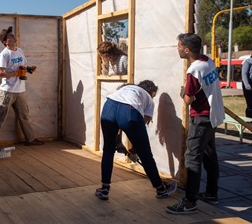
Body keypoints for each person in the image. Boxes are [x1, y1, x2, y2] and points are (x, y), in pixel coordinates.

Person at [166, 33, 225, 215]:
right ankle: (211, 192)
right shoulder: (208, 61)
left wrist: (182, 91)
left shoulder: (193, 70)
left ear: (186, 50)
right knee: (208, 155)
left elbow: (188, 99)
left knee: (192, 158)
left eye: (179, 46)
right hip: (213, 116)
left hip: (201, 118)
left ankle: (190, 201)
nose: (177, 49)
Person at [95, 80, 177, 200]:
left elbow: (119, 110)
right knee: (146, 155)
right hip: (129, 111)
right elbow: (138, 126)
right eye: (154, 96)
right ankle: (161, 189)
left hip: (109, 107)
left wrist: (117, 141)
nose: (152, 98)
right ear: (152, 92)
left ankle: (104, 189)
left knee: (108, 150)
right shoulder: (148, 98)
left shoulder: (127, 88)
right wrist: (135, 150)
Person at [0, 26, 44, 152]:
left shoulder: (19, 51)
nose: (13, 36)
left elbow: (22, 66)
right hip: (7, 91)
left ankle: (30, 139)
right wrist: (15, 74)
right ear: (5, 41)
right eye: (10, 35)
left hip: (20, 91)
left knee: (24, 116)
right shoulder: (4, 55)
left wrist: (28, 70)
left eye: (12, 34)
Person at [97, 41, 140, 163]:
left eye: (102, 55)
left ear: (108, 53)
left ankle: (132, 150)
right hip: (117, 96)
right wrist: (105, 65)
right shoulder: (111, 61)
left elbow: (130, 76)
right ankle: (118, 142)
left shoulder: (123, 59)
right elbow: (108, 74)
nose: (101, 58)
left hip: (126, 96)